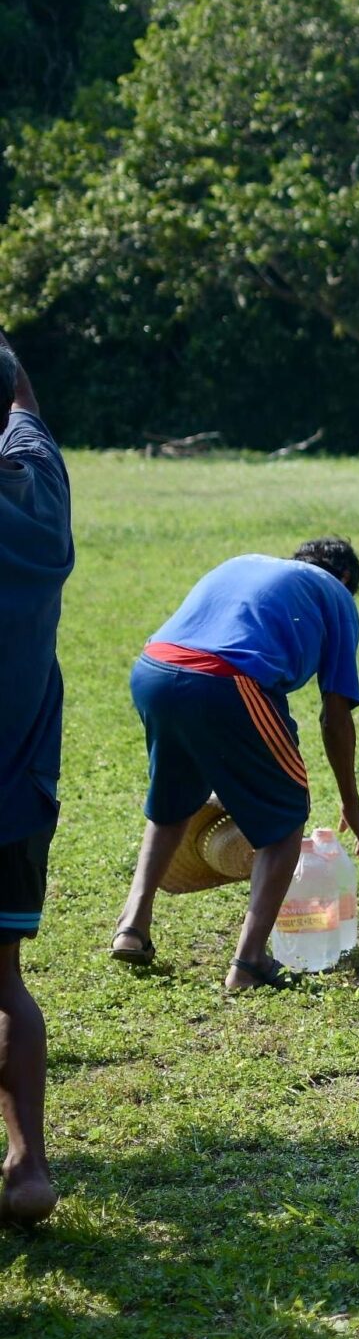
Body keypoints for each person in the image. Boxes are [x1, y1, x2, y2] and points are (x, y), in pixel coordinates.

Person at [113, 538, 359, 993]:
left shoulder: (244, 563)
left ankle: (131, 926)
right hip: (225, 681)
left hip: (155, 669)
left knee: (173, 800)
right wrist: (352, 803)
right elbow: (334, 717)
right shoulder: (334, 594)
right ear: (347, 578)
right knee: (286, 815)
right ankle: (249, 963)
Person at [0, 332, 69, 1227]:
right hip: (16, 794)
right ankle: (30, 1168)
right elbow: (26, 410)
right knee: (5, 981)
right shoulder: (40, 491)